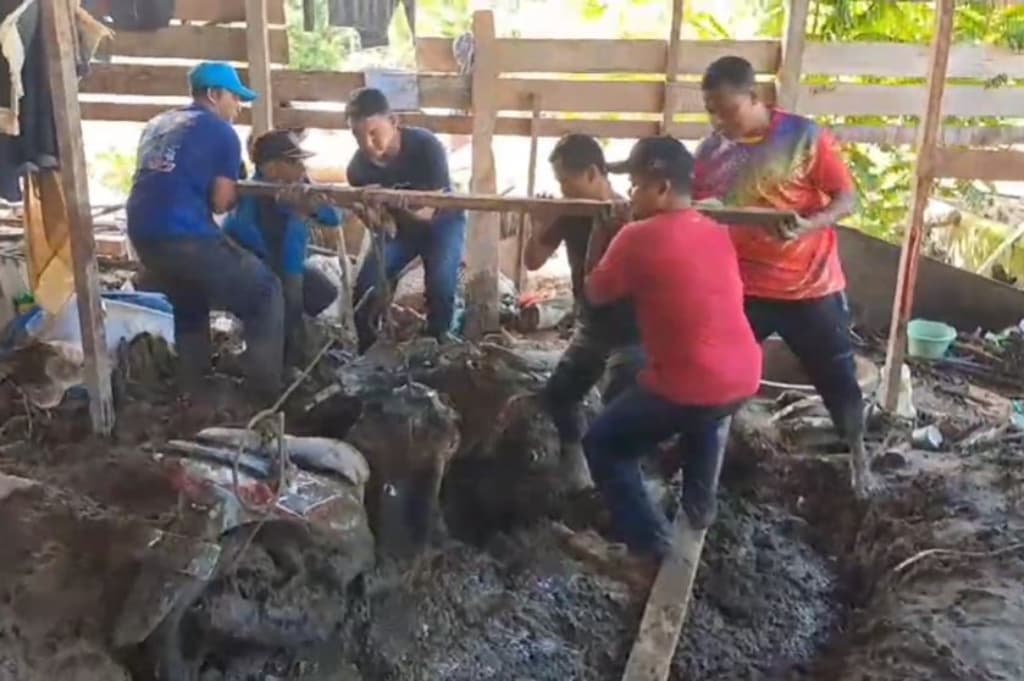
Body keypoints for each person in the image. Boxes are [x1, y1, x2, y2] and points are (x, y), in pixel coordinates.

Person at [582, 136, 761, 580]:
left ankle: (647, 547)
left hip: (692, 384)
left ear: (662, 188)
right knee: (706, 413)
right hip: (744, 374)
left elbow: (595, 294)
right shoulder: (714, 227)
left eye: (636, 186)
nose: (629, 195)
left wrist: (603, 233)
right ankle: (699, 505)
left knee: (603, 444)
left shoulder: (636, 236)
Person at [692, 55, 870, 497]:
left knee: (837, 377)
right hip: (742, 288)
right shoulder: (709, 153)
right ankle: (709, 459)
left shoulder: (802, 137)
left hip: (810, 286)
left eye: (727, 110)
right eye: (711, 111)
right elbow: (694, 208)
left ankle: (858, 455)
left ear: (754, 98)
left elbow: (847, 198)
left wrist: (811, 224)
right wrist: (705, 213)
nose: (719, 121)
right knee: (717, 374)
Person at [126, 62, 284, 398]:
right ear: (213, 95)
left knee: (189, 299)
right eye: (234, 98)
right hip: (183, 233)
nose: (238, 107)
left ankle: (193, 390)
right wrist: (242, 192)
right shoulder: (220, 131)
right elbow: (220, 203)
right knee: (265, 291)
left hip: (142, 234)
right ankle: (263, 396)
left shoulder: (158, 124)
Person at [523, 134, 644, 491]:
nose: (561, 189)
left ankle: (630, 486)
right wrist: (540, 222)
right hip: (592, 325)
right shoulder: (570, 212)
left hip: (634, 329)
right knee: (559, 396)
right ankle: (578, 477)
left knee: (620, 408)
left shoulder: (632, 215)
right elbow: (533, 261)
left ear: (592, 173)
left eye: (566, 181)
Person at [345, 87, 467, 352]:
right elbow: (385, 228)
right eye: (357, 136)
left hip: (442, 222)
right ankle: (368, 351)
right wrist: (368, 211)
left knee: (440, 285)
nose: (367, 144)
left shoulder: (426, 146)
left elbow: (428, 213)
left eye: (373, 133)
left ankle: (438, 346)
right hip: (401, 229)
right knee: (367, 285)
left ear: (394, 121)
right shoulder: (357, 169)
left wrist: (393, 201)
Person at [222, 129, 342, 370]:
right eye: (294, 162)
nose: (302, 168)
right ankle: (279, 363)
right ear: (272, 167)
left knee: (323, 291)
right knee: (284, 303)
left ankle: (290, 349)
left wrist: (310, 207)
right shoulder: (248, 196)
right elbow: (239, 237)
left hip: (291, 265)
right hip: (260, 269)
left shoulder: (301, 187)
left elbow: (334, 217)